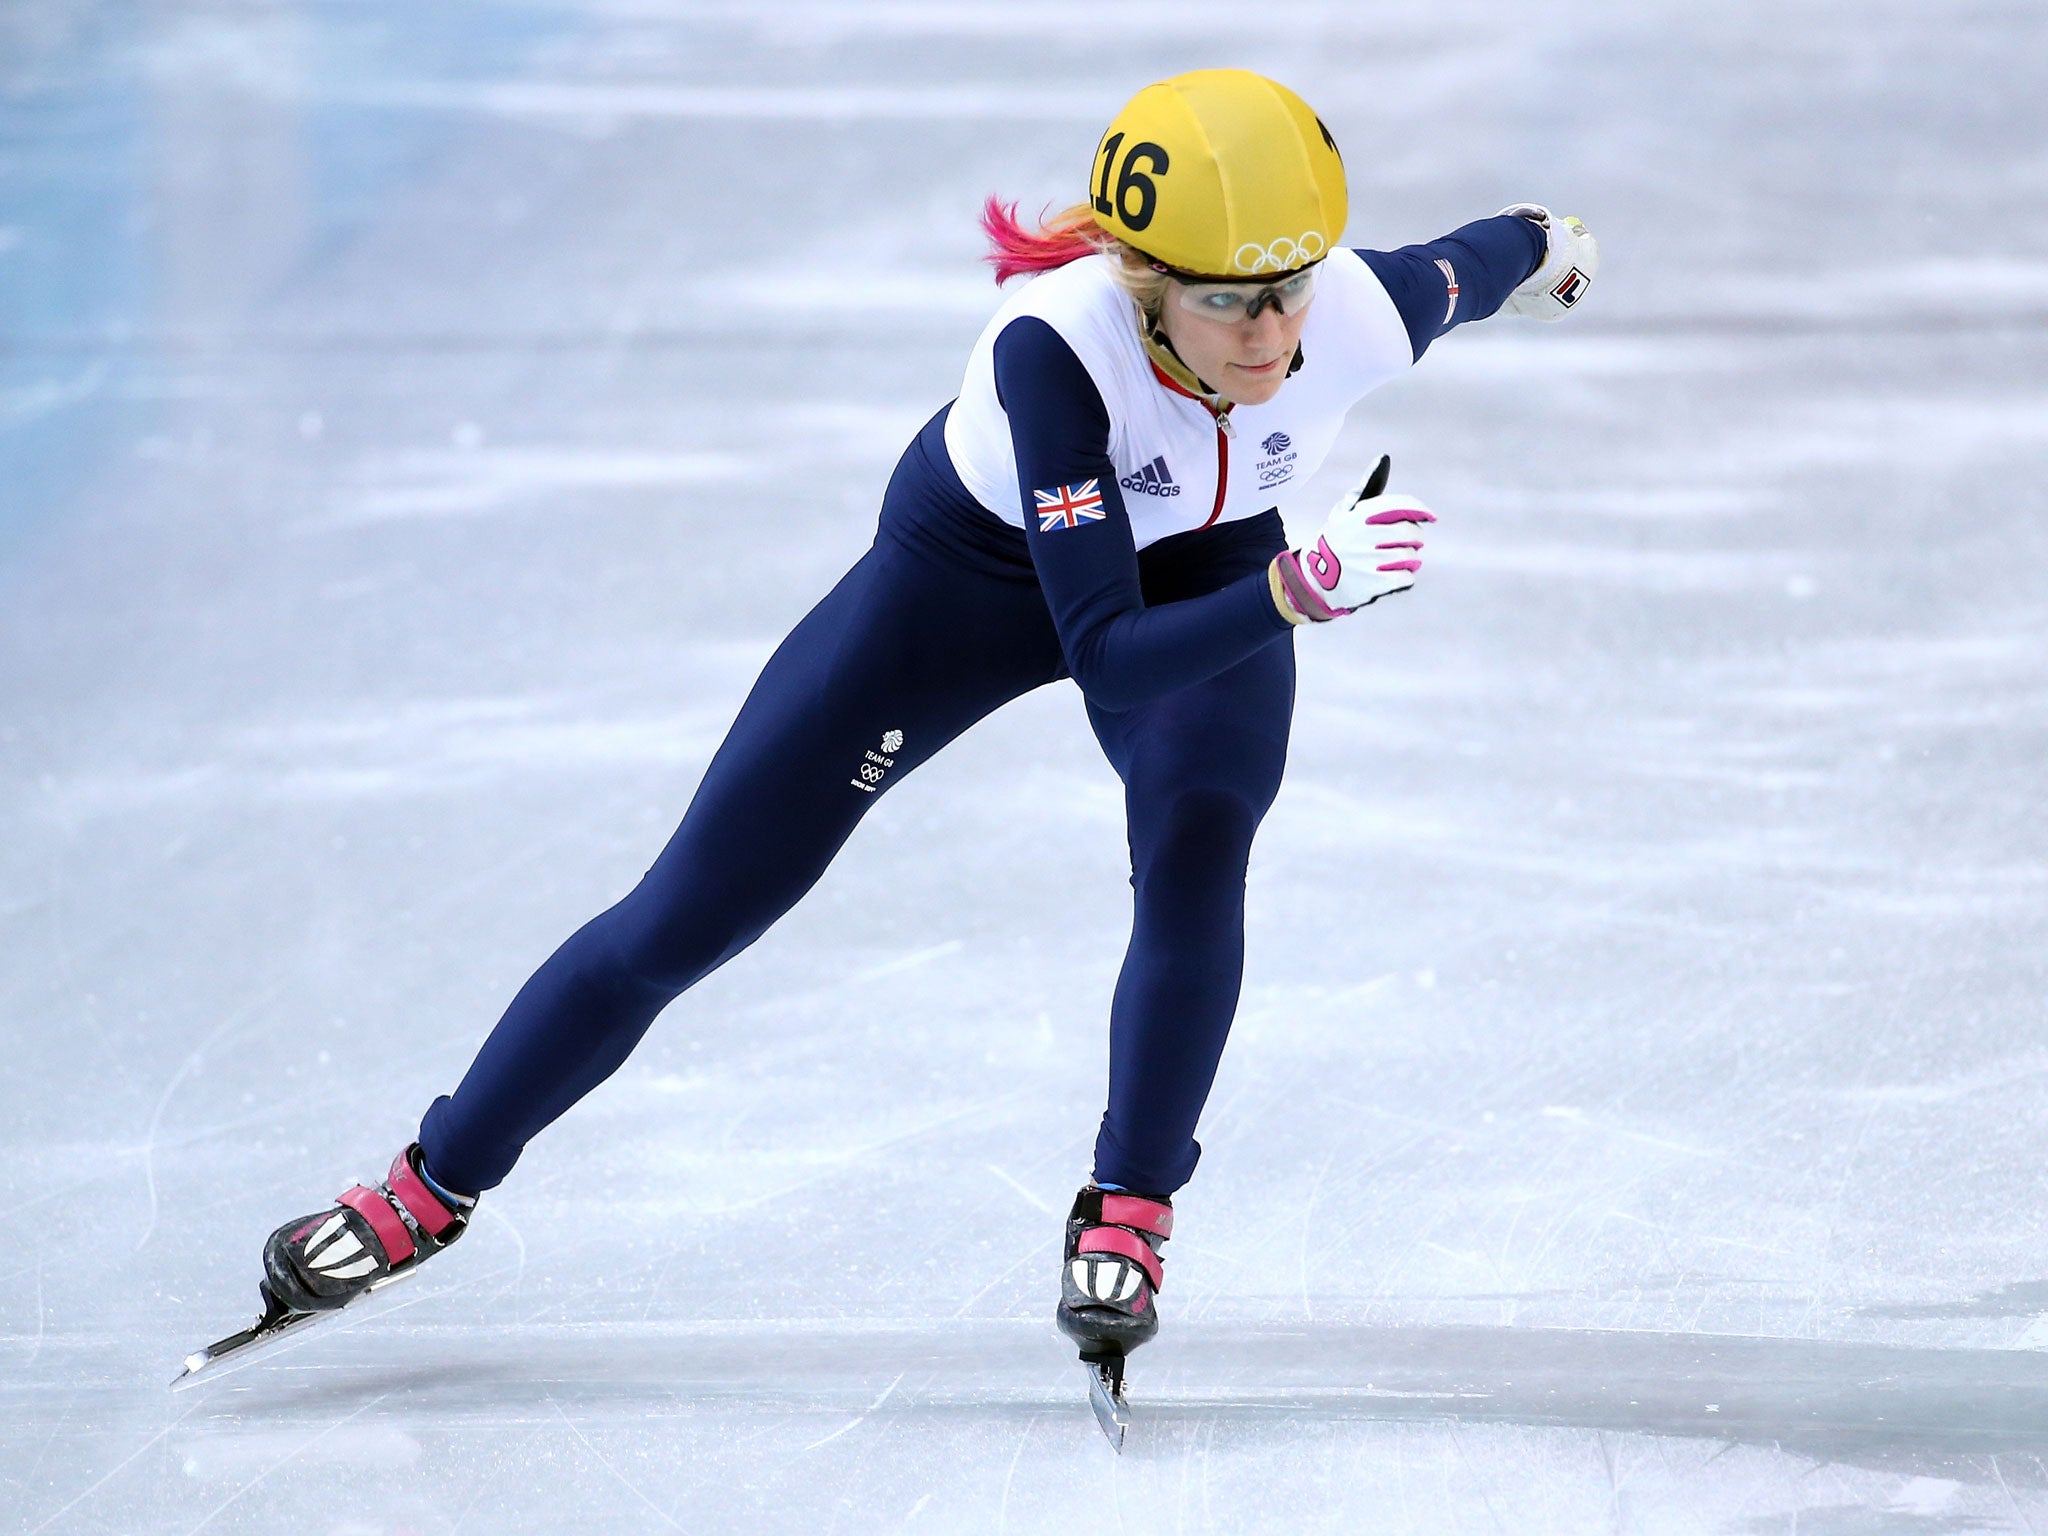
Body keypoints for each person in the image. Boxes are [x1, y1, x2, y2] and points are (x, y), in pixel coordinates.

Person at [244, 69, 1598, 1385]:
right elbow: (1112, 660)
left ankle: (1130, 1203)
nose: (1270, 334)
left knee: (1201, 842)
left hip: (1203, 564)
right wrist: (1294, 587)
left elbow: (1486, 255)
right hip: (972, 588)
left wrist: (1551, 248)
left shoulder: (1356, 308)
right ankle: (431, 1183)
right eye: (1228, 300)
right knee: (689, 912)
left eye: (1287, 290)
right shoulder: (1053, 357)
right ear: (1144, 282)